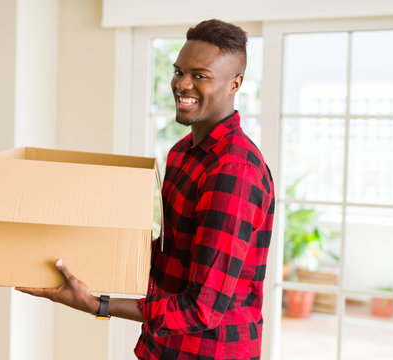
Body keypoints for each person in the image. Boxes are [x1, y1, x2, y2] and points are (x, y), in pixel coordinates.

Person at [17, 19, 275, 360]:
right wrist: (80, 253)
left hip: (211, 353)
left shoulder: (234, 171)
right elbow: (170, 252)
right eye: (179, 70)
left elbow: (202, 308)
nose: (182, 84)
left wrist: (98, 304)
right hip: (161, 345)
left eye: (201, 75)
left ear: (235, 84)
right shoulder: (182, 152)